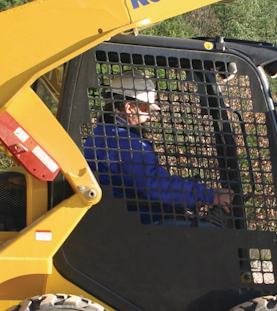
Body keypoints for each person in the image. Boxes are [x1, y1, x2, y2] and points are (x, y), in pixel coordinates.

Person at [83, 73, 233, 225]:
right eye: (145, 108)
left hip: (120, 218)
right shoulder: (126, 143)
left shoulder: (101, 134)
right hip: (137, 224)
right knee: (208, 233)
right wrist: (206, 195)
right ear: (129, 107)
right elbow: (155, 185)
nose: (149, 116)